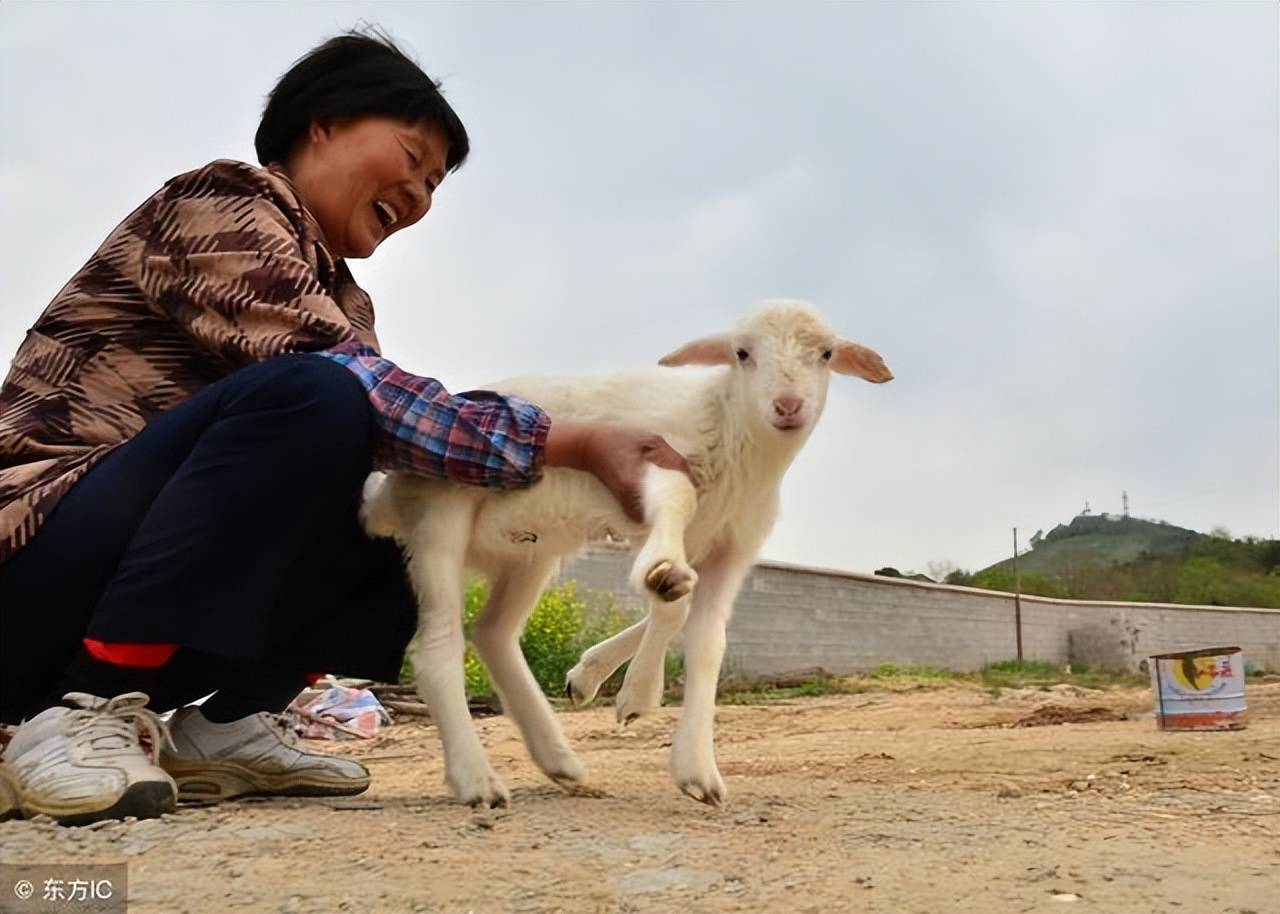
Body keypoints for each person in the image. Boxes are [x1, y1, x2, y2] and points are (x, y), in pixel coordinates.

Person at [0, 30, 687, 826]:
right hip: (34, 558)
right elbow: (350, 386)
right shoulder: (220, 202)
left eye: (435, 186)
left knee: (402, 500)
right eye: (412, 157)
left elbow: (392, 425)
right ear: (322, 123)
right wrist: (571, 443)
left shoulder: (347, 301)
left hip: (126, 582)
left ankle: (220, 726)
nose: (421, 198)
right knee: (322, 399)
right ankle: (80, 708)